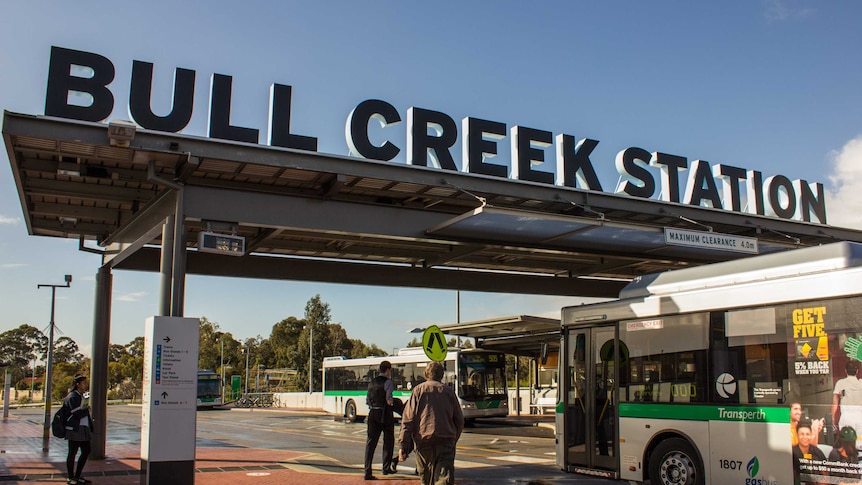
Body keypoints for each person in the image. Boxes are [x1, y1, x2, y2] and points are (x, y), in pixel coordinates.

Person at [398, 361, 464, 485]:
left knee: (426, 478)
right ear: (441, 375)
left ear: (425, 374)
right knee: (444, 479)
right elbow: (459, 420)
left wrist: (403, 445)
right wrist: (453, 438)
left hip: (423, 442)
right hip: (445, 442)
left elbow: (408, 420)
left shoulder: (418, 391)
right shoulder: (449, 392)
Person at [364, 360, 395, 480]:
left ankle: (367, 471)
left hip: (372, 412)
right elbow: (389, 400)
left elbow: (367, 400)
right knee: (388, 440)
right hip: (384, 413)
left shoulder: (371, 382)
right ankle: (386, 467)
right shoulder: (388, 382)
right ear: (388, 370)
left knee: (371, 443)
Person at [63, 374, 93, 484]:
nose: (85, 384)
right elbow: (75, 413)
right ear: (78, 384)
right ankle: (71, 477)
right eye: (84, 383)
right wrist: (86, 410)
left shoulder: (81, 395)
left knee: (86, 450)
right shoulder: (73, 396)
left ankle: (77, 475)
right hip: (75, 429)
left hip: (83, 428)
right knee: (72, 452)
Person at [832, 360, 862, 450]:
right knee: (860, 442)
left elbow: (835, 403)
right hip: (860, 416)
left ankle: (847, 461)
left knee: (846, 443)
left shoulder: (840, 383)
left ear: (845, 371)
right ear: (857, 371)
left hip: (846, 417)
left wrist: (833, 419)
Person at [793, 419, 827, 485]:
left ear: (811, 435)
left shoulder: (817, 452)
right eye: (802, 434)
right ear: (797, 435)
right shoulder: (792, 452)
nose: (805, 437)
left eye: (807, 434)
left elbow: (825, 475)